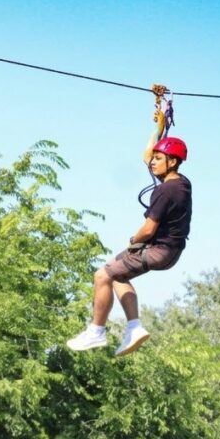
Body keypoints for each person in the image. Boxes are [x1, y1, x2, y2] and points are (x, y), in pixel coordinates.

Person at [67, 136, 192, 356]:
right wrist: (160, 124)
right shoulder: (182, 183)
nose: (152, 162)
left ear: (172, 162)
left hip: (156, 250)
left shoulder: (164, 191)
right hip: (173, 251)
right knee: (118, 276)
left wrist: (134, 239)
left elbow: (148, 229)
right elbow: (148, 154)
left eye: (158, 158)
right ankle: (134, 328)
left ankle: (96, 331)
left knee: (102, 276)